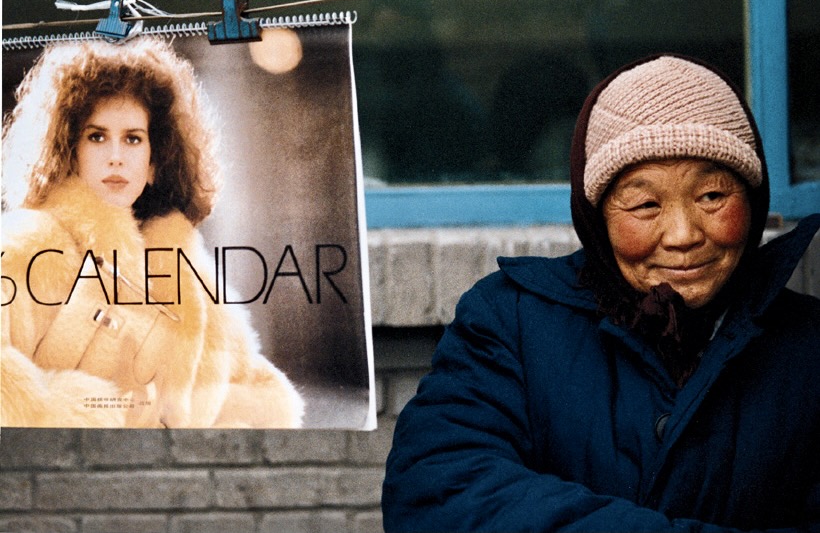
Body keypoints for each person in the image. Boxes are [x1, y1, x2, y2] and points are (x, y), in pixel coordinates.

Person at [382, 54, 820, 531]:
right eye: (645, 204)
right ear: (598, 219)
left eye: (711, 196)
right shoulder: (510, 322)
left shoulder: (808, 346)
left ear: (753, 202)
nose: (682, 235)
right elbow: (439, 491)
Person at [1, 38, 304, 428]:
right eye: (96, 136)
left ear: (153, 161)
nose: (116, 155)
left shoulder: (186, 269)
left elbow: (269, 399)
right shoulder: (29, 246)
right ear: (68, 150)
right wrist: (98, 415)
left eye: (132, 138)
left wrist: (195, 420)